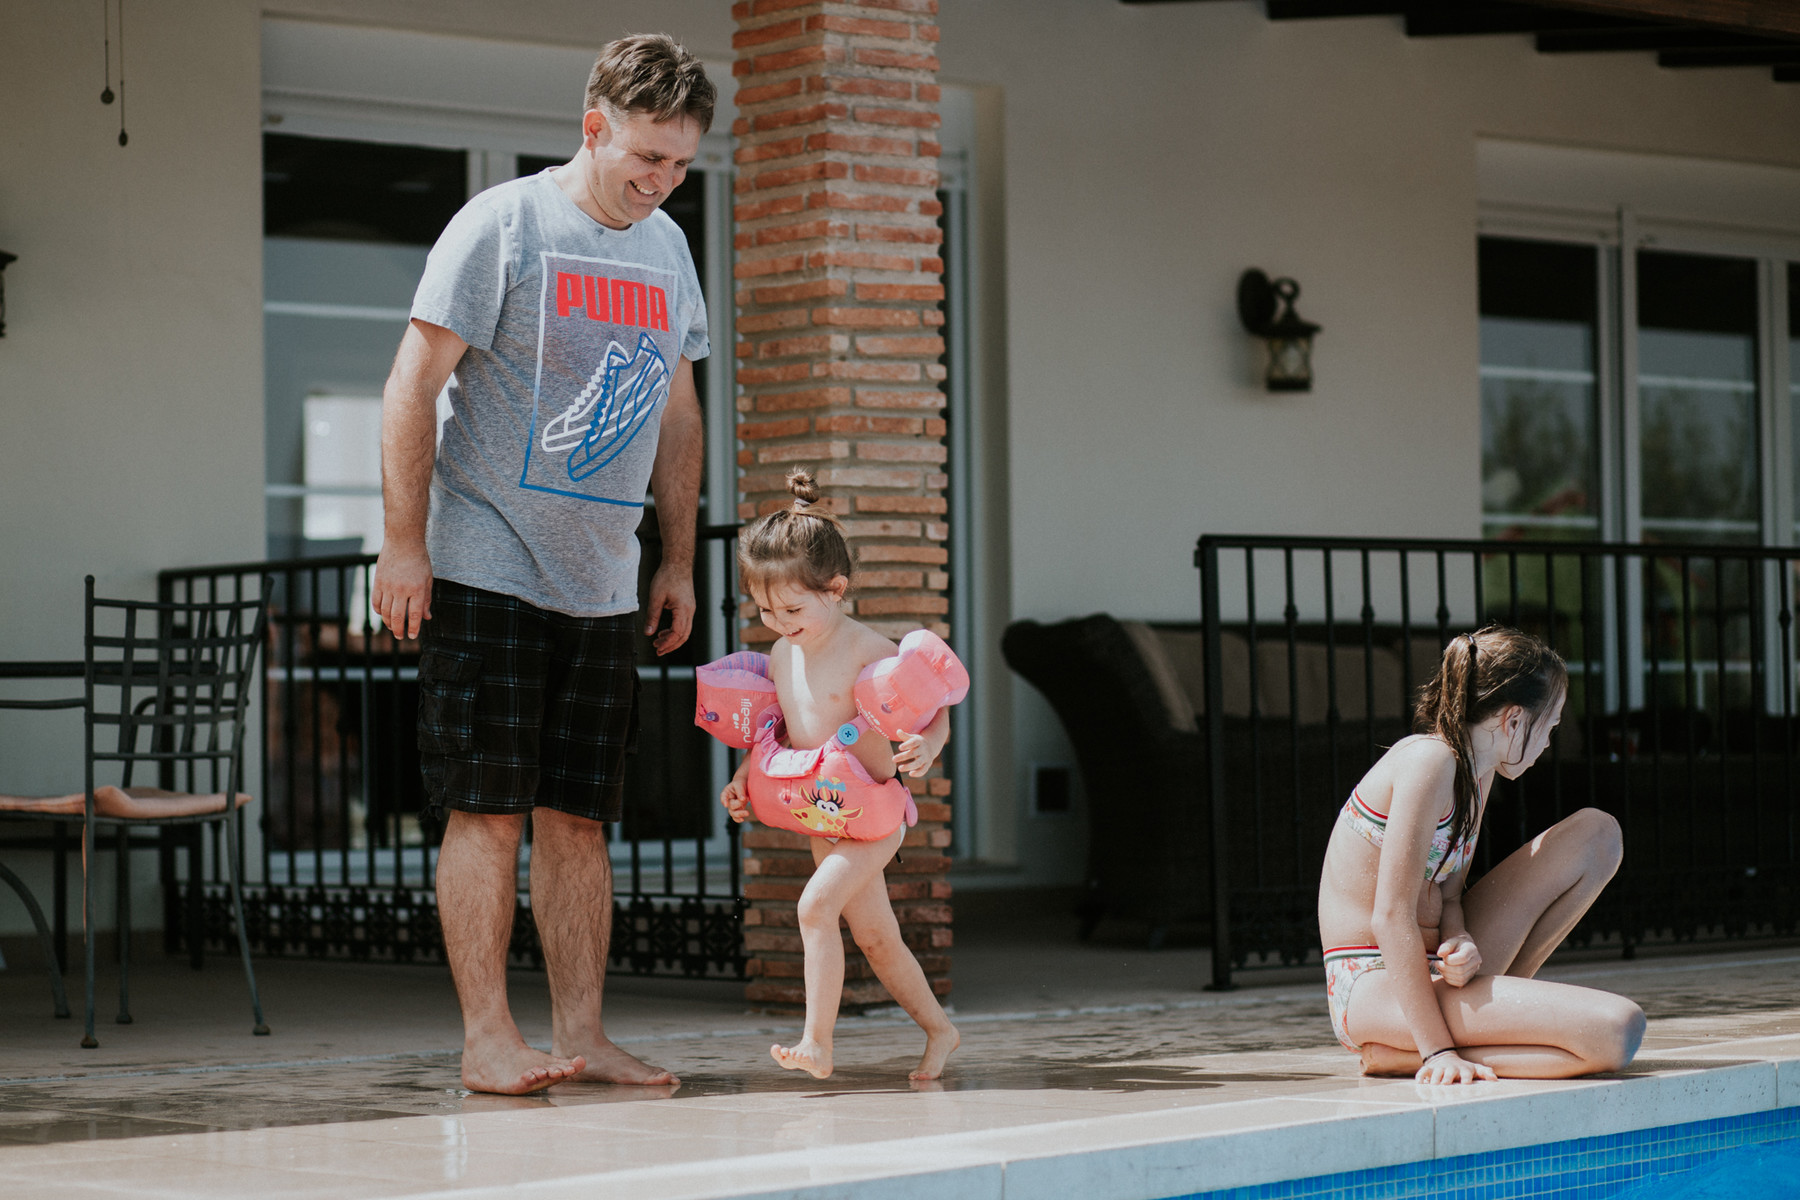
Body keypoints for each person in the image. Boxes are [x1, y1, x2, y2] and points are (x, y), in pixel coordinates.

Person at [370, 34, 714, 1095]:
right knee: (489, 808)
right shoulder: (504, 226)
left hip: (605, 579)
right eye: (645, 158)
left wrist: (678, 561)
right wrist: (406, 541)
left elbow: (678, 409)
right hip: (485, 560)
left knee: (580, 817)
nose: (660, 182)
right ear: (593, 125)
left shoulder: (666, 250)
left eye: (679, 165)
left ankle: (585, 1034)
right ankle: (486, 1038)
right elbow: (410, 385)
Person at [1316, 626, 1647, 1084]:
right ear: (1513, 721)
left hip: (1439, 972)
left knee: (1598, 835)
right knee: (1616, 1031)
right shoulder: (1428, 762)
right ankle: (1413, 1050)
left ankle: (1481, 1020)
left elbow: (1449, 899)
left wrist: (1462, 941)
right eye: (1548, 727)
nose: (1549, 743)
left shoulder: (1478, 773)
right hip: (1377, 984)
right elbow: (1391, 916)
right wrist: (1438, 1053)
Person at [719, 469, 961, 1081]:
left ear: (837, 588)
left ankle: (816, 1043)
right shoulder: (780, 653)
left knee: (813, 910)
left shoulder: (869, 651)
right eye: (765, 609)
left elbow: (936, 715)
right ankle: (940, 1030)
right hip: (823, 813)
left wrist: (929, 748)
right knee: (879, 940)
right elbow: (776, 728)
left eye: (792, 607)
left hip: (874, 816)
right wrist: (745, 775)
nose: (778, 620)